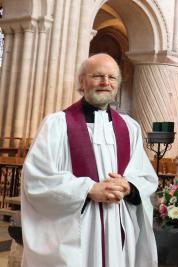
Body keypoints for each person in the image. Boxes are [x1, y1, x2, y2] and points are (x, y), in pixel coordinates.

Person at [21, 53, 158, 267]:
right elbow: (37, 177)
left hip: (118, 224)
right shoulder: (57, 125)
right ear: (82, 82)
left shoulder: (130, 127)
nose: (105, 82)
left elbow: (145, 175)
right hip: (77, 228)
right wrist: (87, 189)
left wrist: (129, 186)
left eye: (112, 78)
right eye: (98, 76)